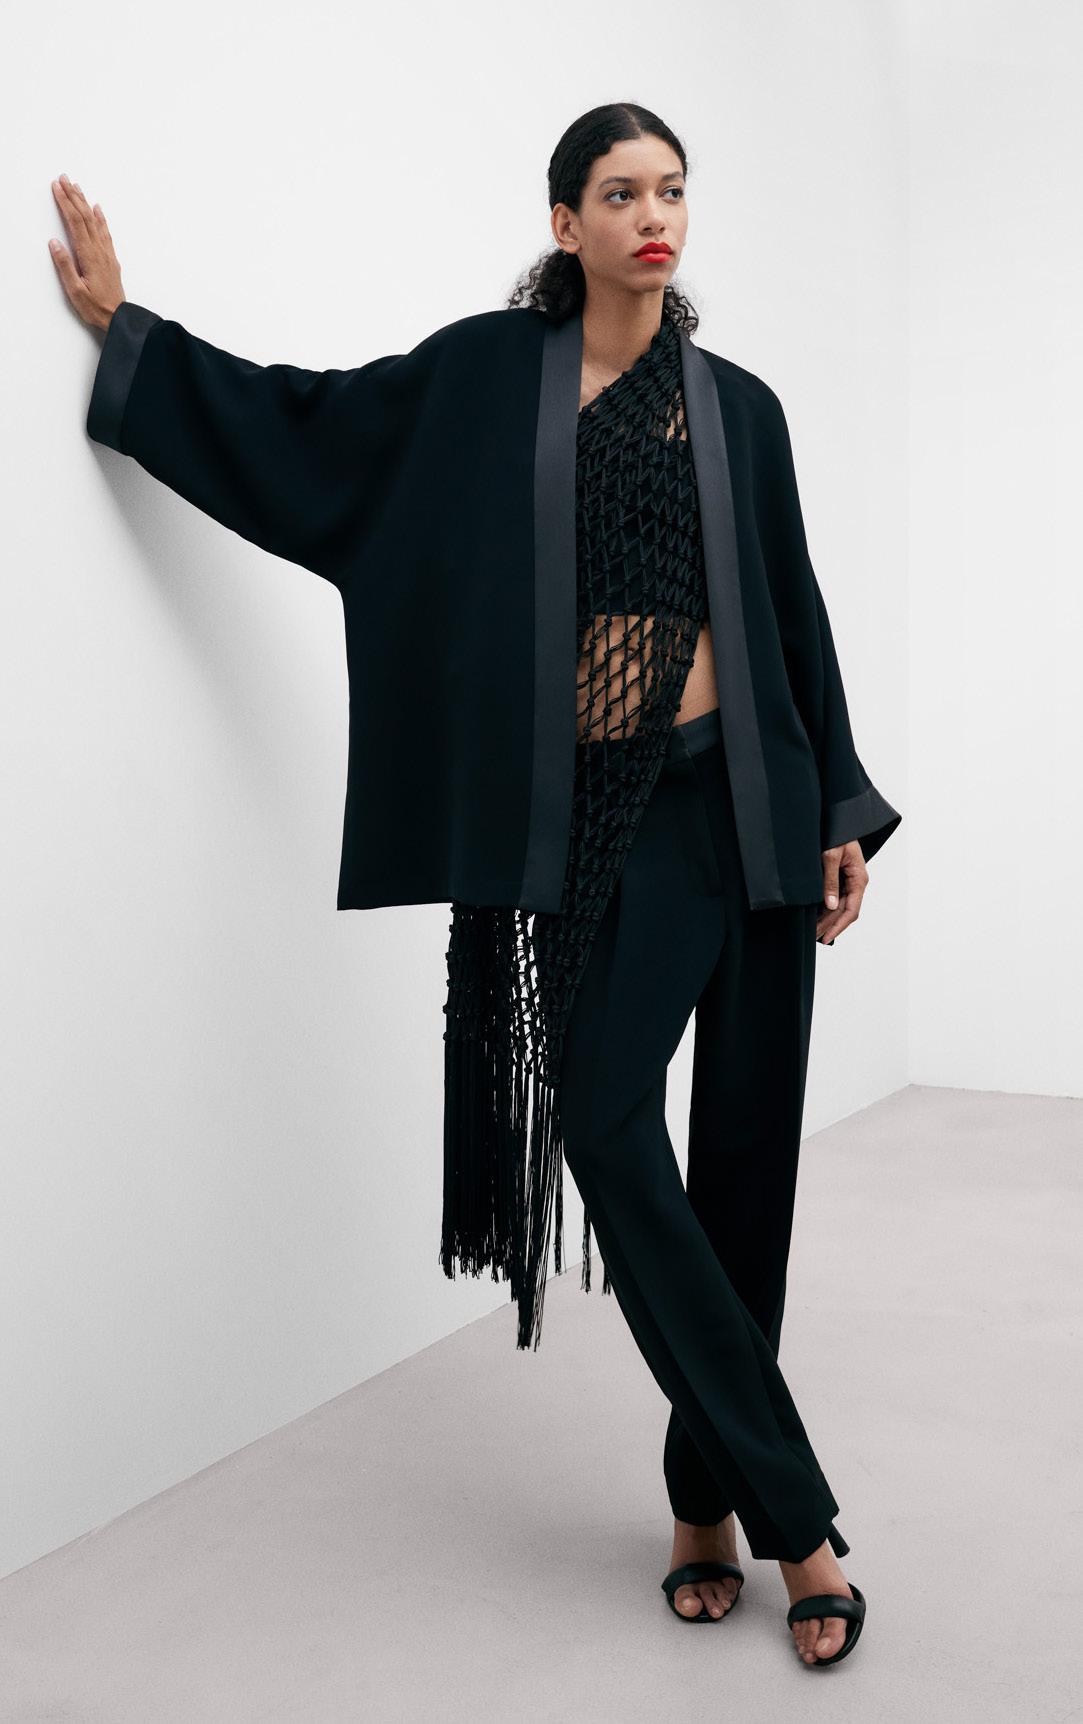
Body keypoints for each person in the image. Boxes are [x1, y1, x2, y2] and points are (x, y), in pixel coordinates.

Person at [50, 101, 898, 1670]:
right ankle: (802, 1523)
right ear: (565, 223)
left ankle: (702, 1505)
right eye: (621, 192)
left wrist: (840, 804)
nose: (655, 216)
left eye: (673, 190)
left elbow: (795, 614)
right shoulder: (485, 383)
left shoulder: (740, 409)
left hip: (753, 811)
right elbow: (314, 434)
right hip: (608, 830)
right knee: (605, 1126)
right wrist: (135, 340)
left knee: (746, 1180)